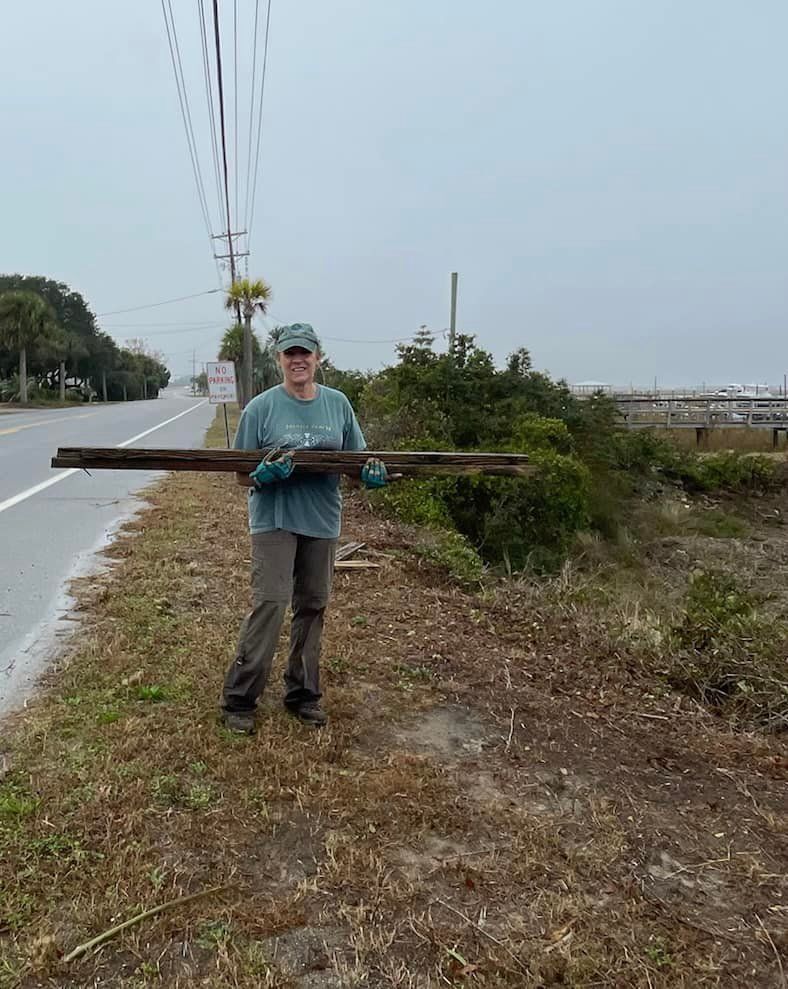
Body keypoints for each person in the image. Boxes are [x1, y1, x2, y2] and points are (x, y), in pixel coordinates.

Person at [221, 323, 388, 733]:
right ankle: (240, 699)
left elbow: (356, 464)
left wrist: (369, 474)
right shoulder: (260, 408)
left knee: (312, 606)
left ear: (318, 357)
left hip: (322, 518)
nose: (298, 359)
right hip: (274, 519)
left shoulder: (338, 405)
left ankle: (303, 693)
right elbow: (240, 474)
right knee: (271, 605)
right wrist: (262, 474)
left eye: (305, 353)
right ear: (278, 358)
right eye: (290, 353)